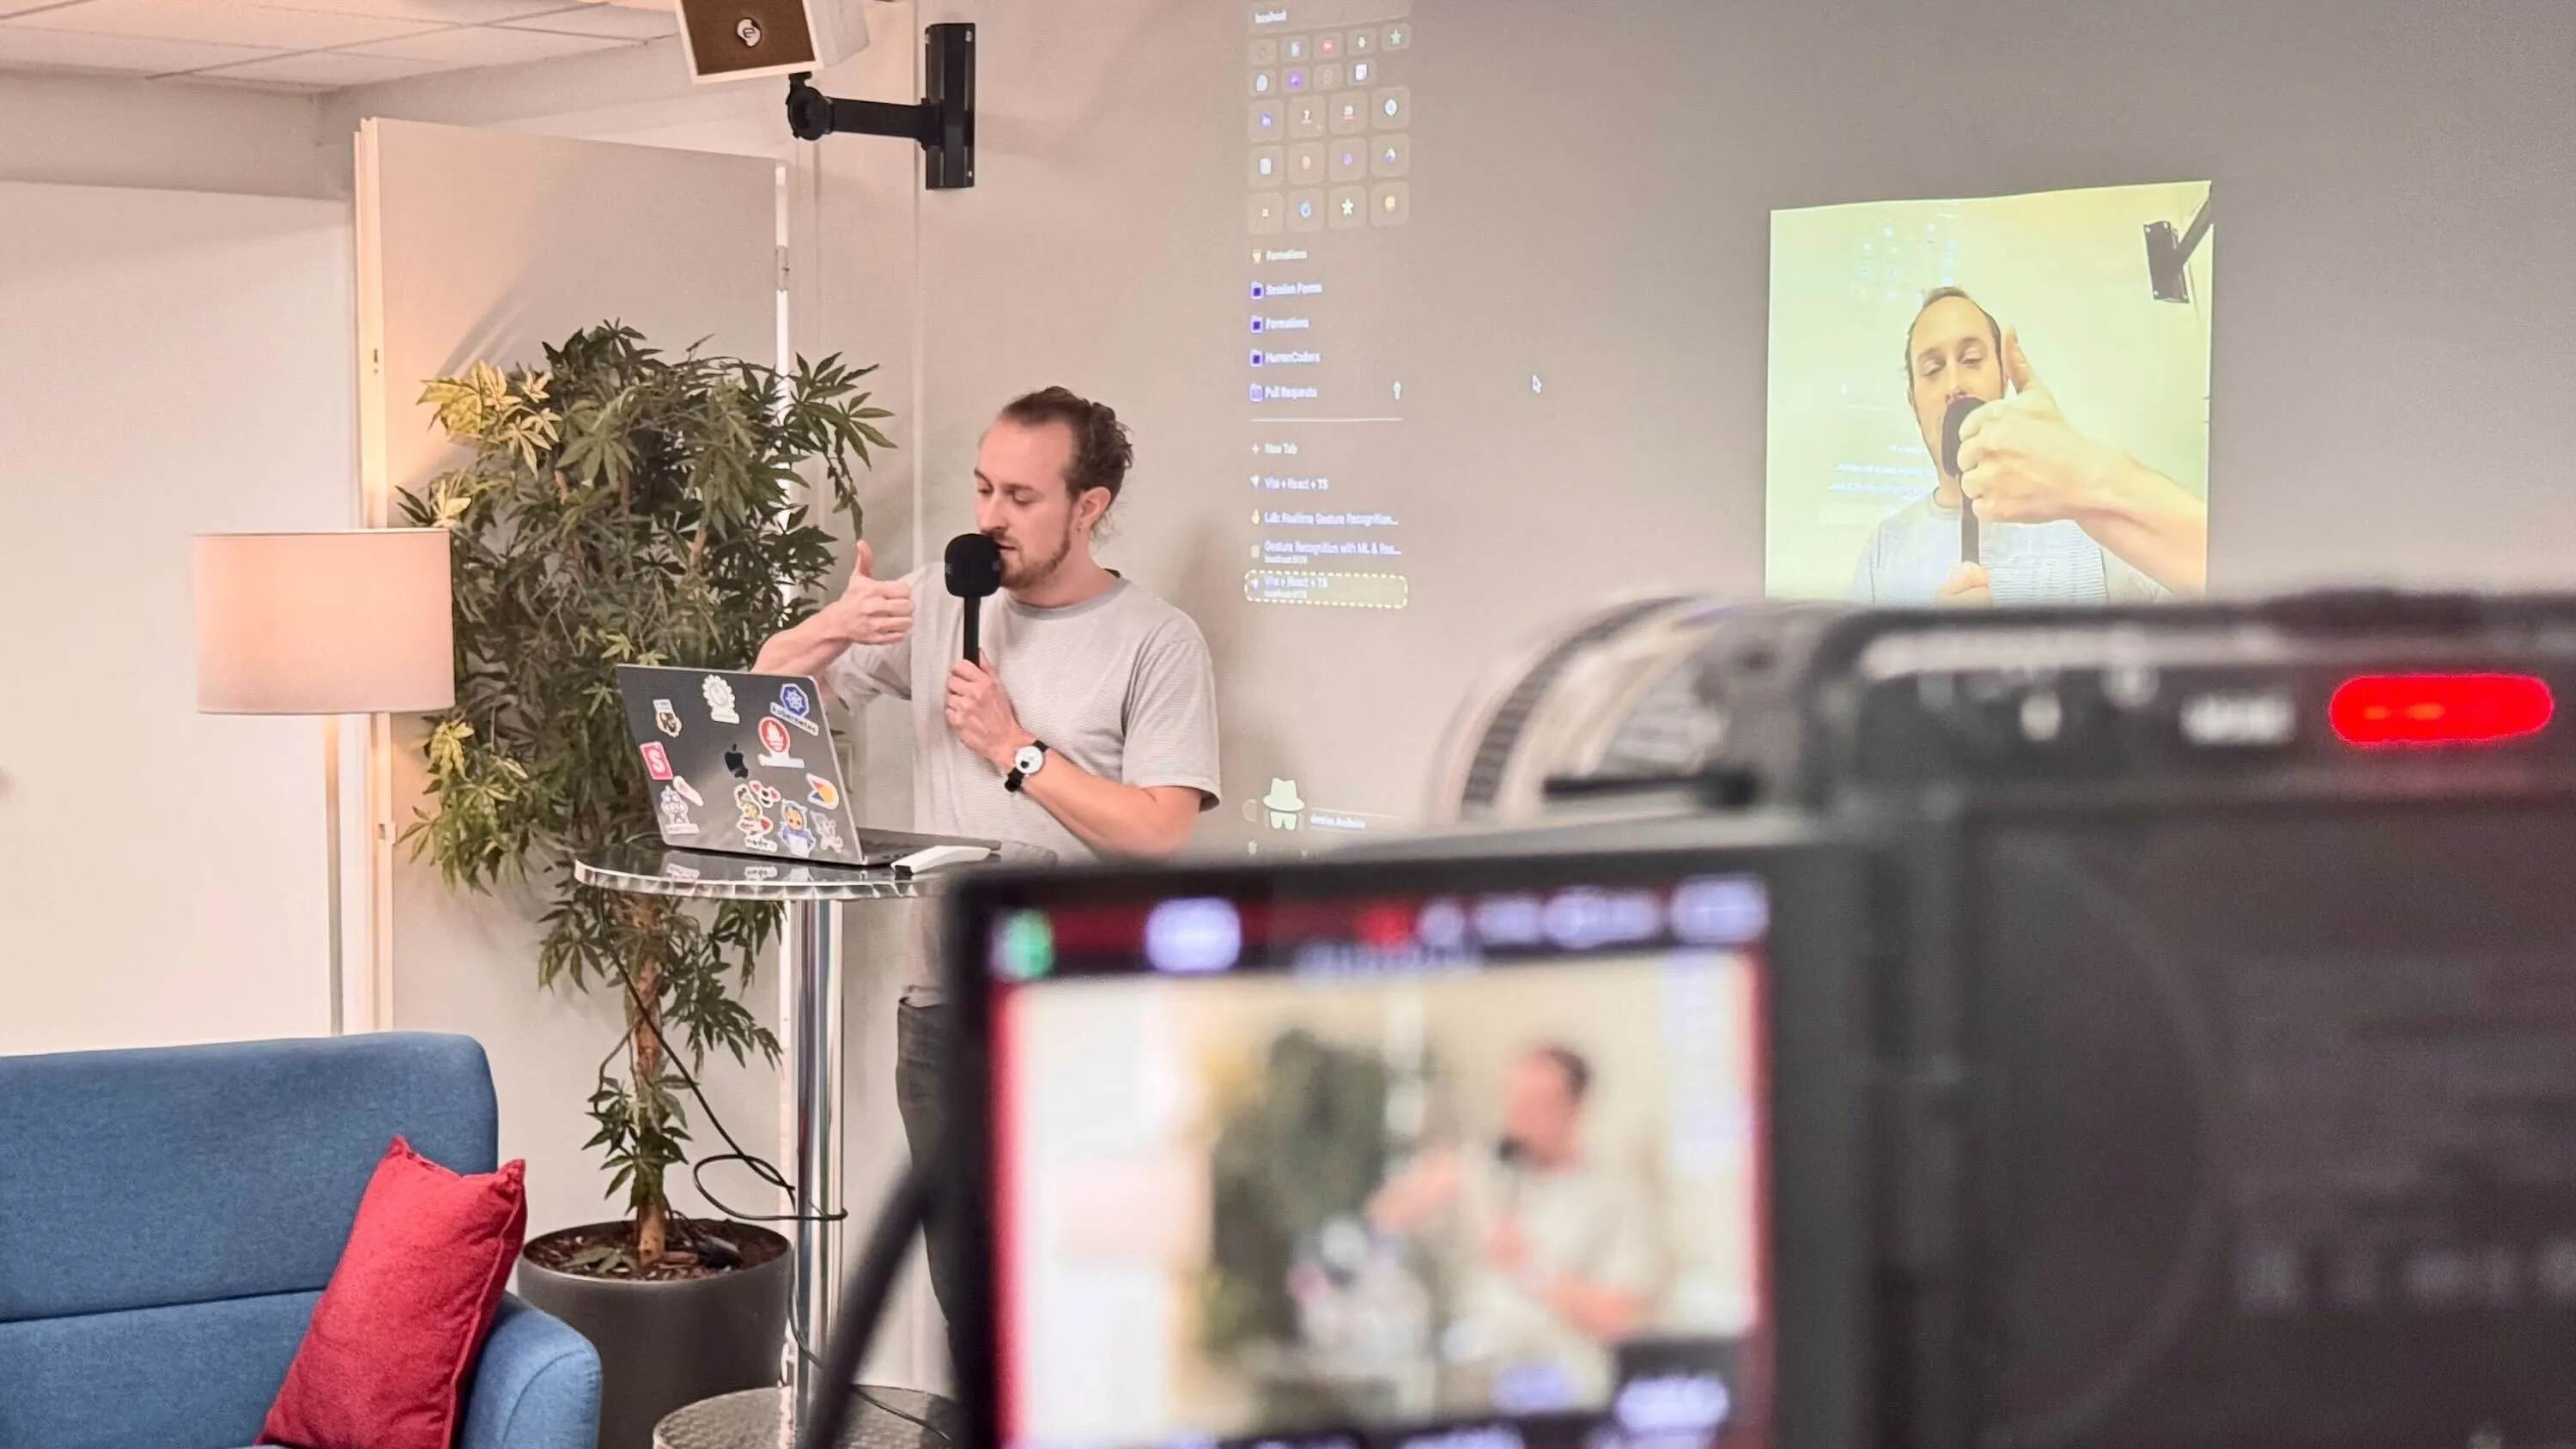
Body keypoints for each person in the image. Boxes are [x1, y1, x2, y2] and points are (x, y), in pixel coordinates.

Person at [752, 385, 1222, 1338]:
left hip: (1086, 1015)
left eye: (1021, 496)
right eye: (982, 489)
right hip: (942, 1014)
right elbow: (765, 697)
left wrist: (1017, 749)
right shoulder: (936, 598)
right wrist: (828, 627)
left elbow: (1161, 825)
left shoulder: (1157, 640)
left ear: (1088, 506)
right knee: (969, 1300)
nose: (992, 518)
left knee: (1085, 1306)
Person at [1849, 286, 2209, 606]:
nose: (1954, 384)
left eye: (1972, 360)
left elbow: (2224, 593)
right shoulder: (1884, 550)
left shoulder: (2085, 516)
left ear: (2003, 378)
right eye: (1932, 369)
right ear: (1914, 402)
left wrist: (2085, 471)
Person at [1366, 1045, 1657, 1412]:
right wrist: (1428, 1184)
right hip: (1470, 1382)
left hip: (1563, 1388)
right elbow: (1385, 1217)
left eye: (1536, 1103)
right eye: (1513, 1099)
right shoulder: (1481, 1173)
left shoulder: (1616, 1195)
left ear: (1576, 1108)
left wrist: (1531, 1269)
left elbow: (1622, 1319)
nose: (1519, 1116)